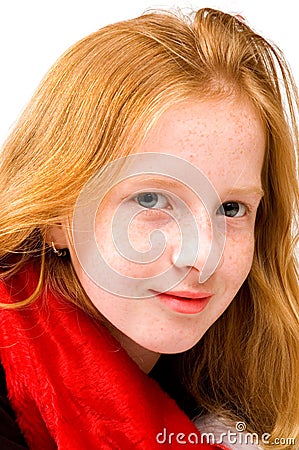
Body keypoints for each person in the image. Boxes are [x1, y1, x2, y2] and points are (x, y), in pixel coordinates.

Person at [0, 7, 298, 450]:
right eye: (150, 199)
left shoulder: (250, 390)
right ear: (56, 217)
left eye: (231, 208)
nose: (200, 257)